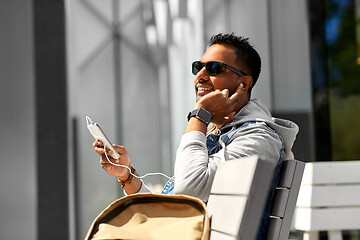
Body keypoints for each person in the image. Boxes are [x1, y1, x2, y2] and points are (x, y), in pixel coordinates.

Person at [93, 32, 299, 239]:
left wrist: (199, 115)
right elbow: (175, 207)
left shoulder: (258, 138)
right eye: (197, 67)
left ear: (243, 83)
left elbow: (188, 190)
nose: (200, 75)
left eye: (214, 68)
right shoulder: (217, 133)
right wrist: (127, 175)